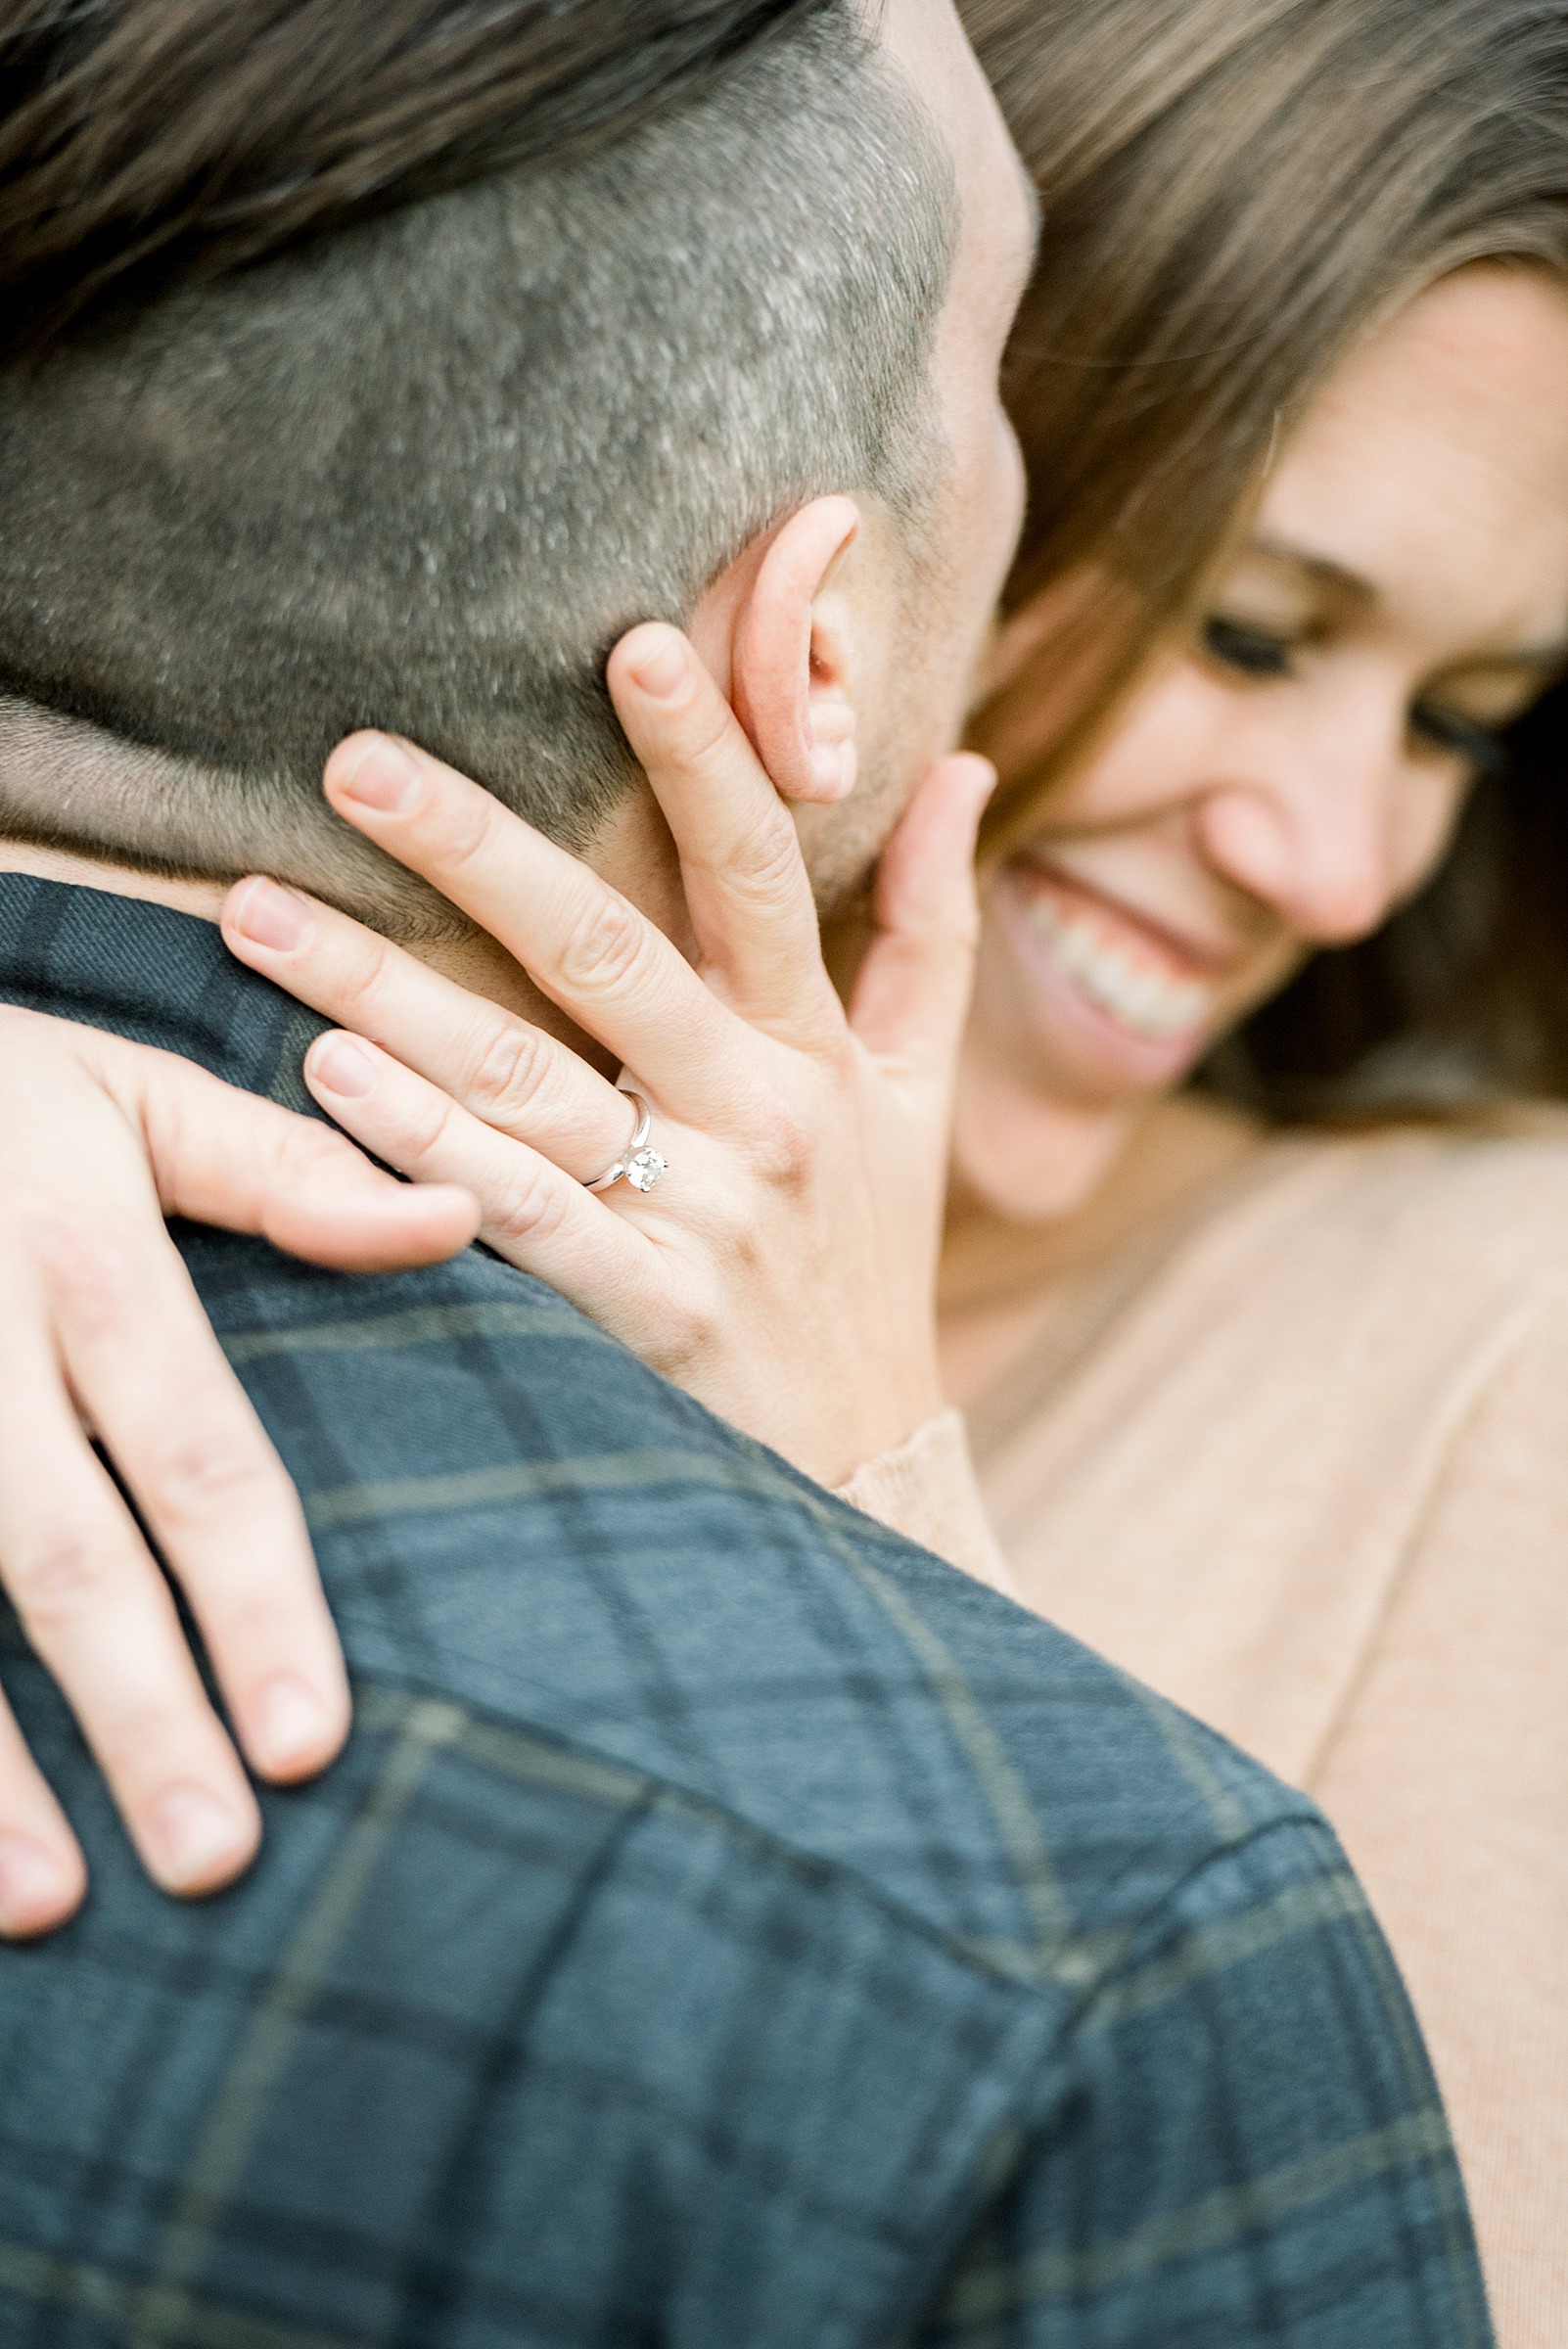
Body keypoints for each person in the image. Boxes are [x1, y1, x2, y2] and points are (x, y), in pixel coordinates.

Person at [0, 0, 1488, 2342]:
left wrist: (884, 1501)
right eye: (1251, 628)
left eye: (1475, 724)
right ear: (844, 576)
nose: (1343, 866)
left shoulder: (1493, 1342)